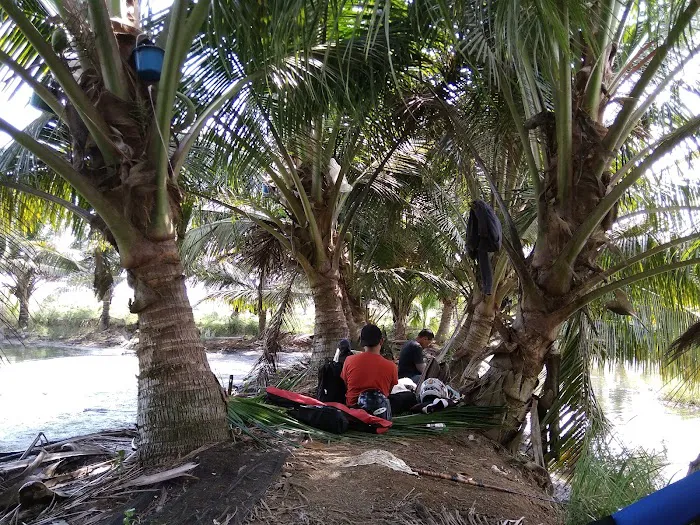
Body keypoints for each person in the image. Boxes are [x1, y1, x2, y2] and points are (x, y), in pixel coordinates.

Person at [341, 324, 398, 408]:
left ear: (361, 342)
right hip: (379, 409)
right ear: (381, 341)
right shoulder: (391, 366)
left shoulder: (349, 360)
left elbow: (346, 384)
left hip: (353, 410)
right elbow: (388, 391)